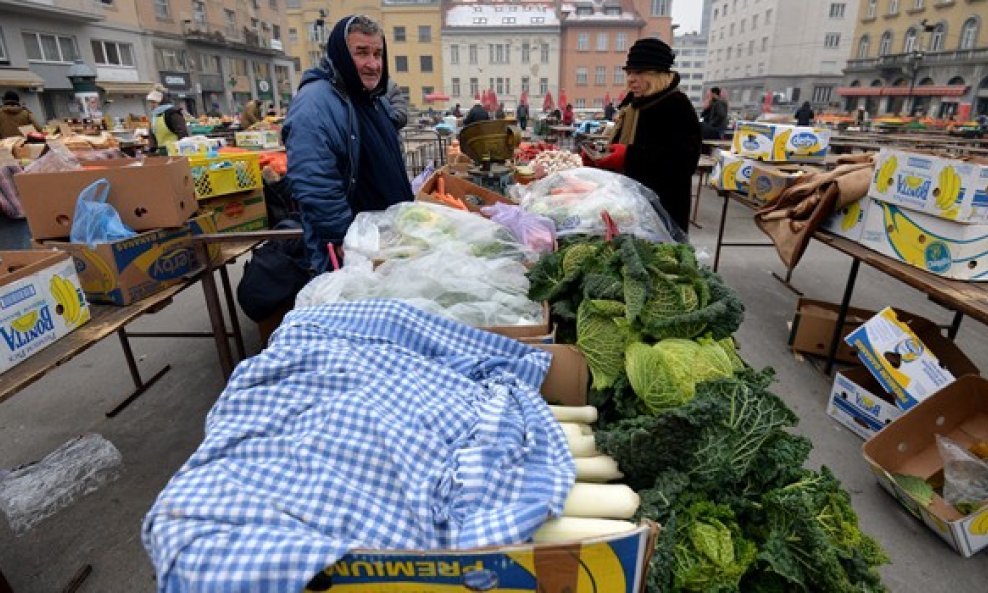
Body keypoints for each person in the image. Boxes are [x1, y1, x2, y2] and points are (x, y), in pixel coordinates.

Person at [282, 14, 413, 273]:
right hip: (354, 249)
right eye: (361, 53)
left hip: (385, 242)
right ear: (341, 54)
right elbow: (313, 179)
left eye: (378, 54)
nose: (373, 64)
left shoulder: (374, 98)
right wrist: (343, 237)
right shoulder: (315, 102)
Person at [590, 37, 701, 235]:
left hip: (662, 210)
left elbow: (683, 163)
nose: (631, 78)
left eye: (639, 72)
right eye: (629, 72)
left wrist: (629, 156)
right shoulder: (633, 103)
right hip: (629, 205)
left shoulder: (677, 106)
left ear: (659, 74)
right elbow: (617, 145)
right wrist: (599, 160)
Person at [146, 88, 188, 154]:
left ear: (161, 102)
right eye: (150, 102)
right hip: (162, 152)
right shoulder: (154, 117)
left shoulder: (172, 114)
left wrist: (181, 149)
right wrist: (152, 151)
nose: (151, 105)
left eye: (154, 102)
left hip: (176, 151)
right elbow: (152, 135)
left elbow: (182, 132)